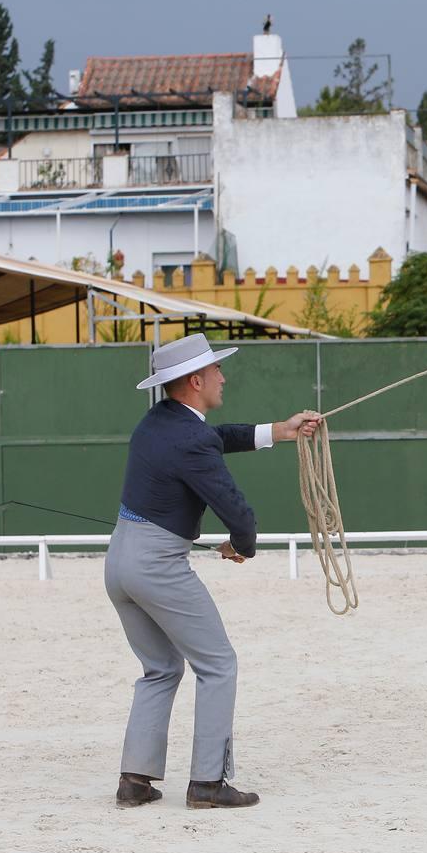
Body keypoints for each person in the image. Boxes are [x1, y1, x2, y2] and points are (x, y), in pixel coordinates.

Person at [106, 333, 320, 809]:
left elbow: (215, 438)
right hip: (157, 566)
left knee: (160, 669)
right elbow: (240, 515)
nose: (223, 377)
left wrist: (281, 431)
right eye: (216, 371)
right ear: (196, 381)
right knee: (219, 664)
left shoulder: (157, 422)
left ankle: (134, 781)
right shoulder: (191, 438)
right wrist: (240, 546)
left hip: (119, 561)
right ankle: (208, 783)